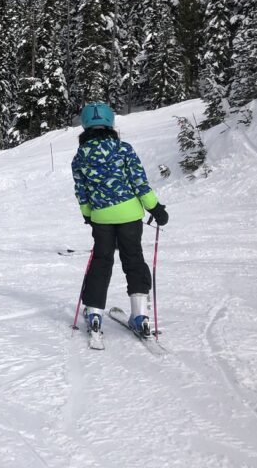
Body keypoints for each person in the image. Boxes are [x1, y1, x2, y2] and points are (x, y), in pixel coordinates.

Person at [72, 102, 169, 337]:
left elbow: (81, 192)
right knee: (133, 259)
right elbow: (139, 182)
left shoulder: (79, 158)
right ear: (110, 124)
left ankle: (94, 312)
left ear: (85, 126)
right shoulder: (123, 149)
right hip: (130, 216)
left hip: (101, 218)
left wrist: (88, 215)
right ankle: (141, 316)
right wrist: (155, 208)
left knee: (101, 261)